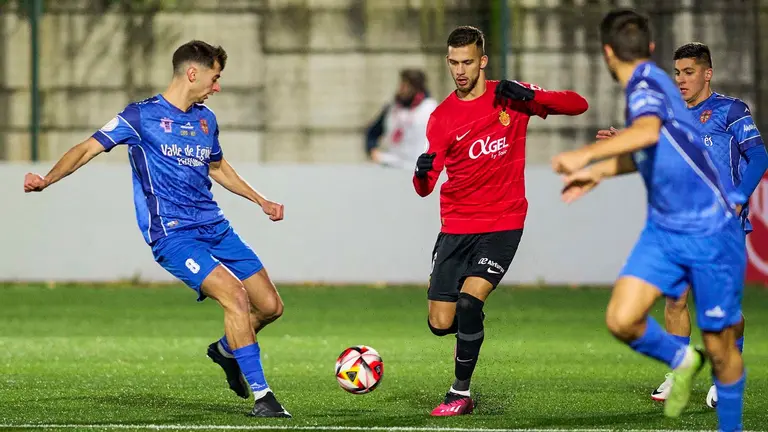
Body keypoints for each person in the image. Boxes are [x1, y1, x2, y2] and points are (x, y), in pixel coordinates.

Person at [22, 40, 291, 418]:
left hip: (214, 226)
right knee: (234, 296)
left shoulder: (205, 120)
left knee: (271, 306)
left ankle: (226, 350)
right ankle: (265, 398)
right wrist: (47, 180)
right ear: (193, 73)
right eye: (215, 78)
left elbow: (217, 167)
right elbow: (86, 148)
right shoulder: (140, 116)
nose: (217, 87)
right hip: (173, 234)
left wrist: (260, 200)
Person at [552, 10, 746, 431]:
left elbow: (646, 134)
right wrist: (600, 172)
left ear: (606, 52)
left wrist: (585, 155)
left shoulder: (645, 84)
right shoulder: (657, 84)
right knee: (622, 318)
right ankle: (682, 359)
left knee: (721, 347)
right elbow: (653, 148)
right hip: (665, 231)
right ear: (652, 47)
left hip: (710, 230)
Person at [413, 25, 588, 416]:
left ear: (483, 61)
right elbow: (425, 187)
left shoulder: (510, 97)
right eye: (454, 63)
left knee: (469, 302)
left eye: (467, 62)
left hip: (503, 223)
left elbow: (578, 104)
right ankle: (469, 330)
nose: (460, 71)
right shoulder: (441, 118)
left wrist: (532, 95)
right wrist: (421, 173)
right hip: (456, 227)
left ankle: (459, 393)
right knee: (440, 323)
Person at [596, 42, 768, 407]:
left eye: (689, 72)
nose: (681, 80)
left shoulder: (731, 110)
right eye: (677, 73)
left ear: (707, 73)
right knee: (675, 299)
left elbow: (758, 156)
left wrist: (739, 198)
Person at [365, 69, 438, 169]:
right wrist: (372, 149)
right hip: (391, 164)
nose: (401, 89)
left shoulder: (430, 108)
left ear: (416, 88)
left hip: (419, 167)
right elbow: (373, 132)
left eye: (406, 86)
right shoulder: (392, 107)